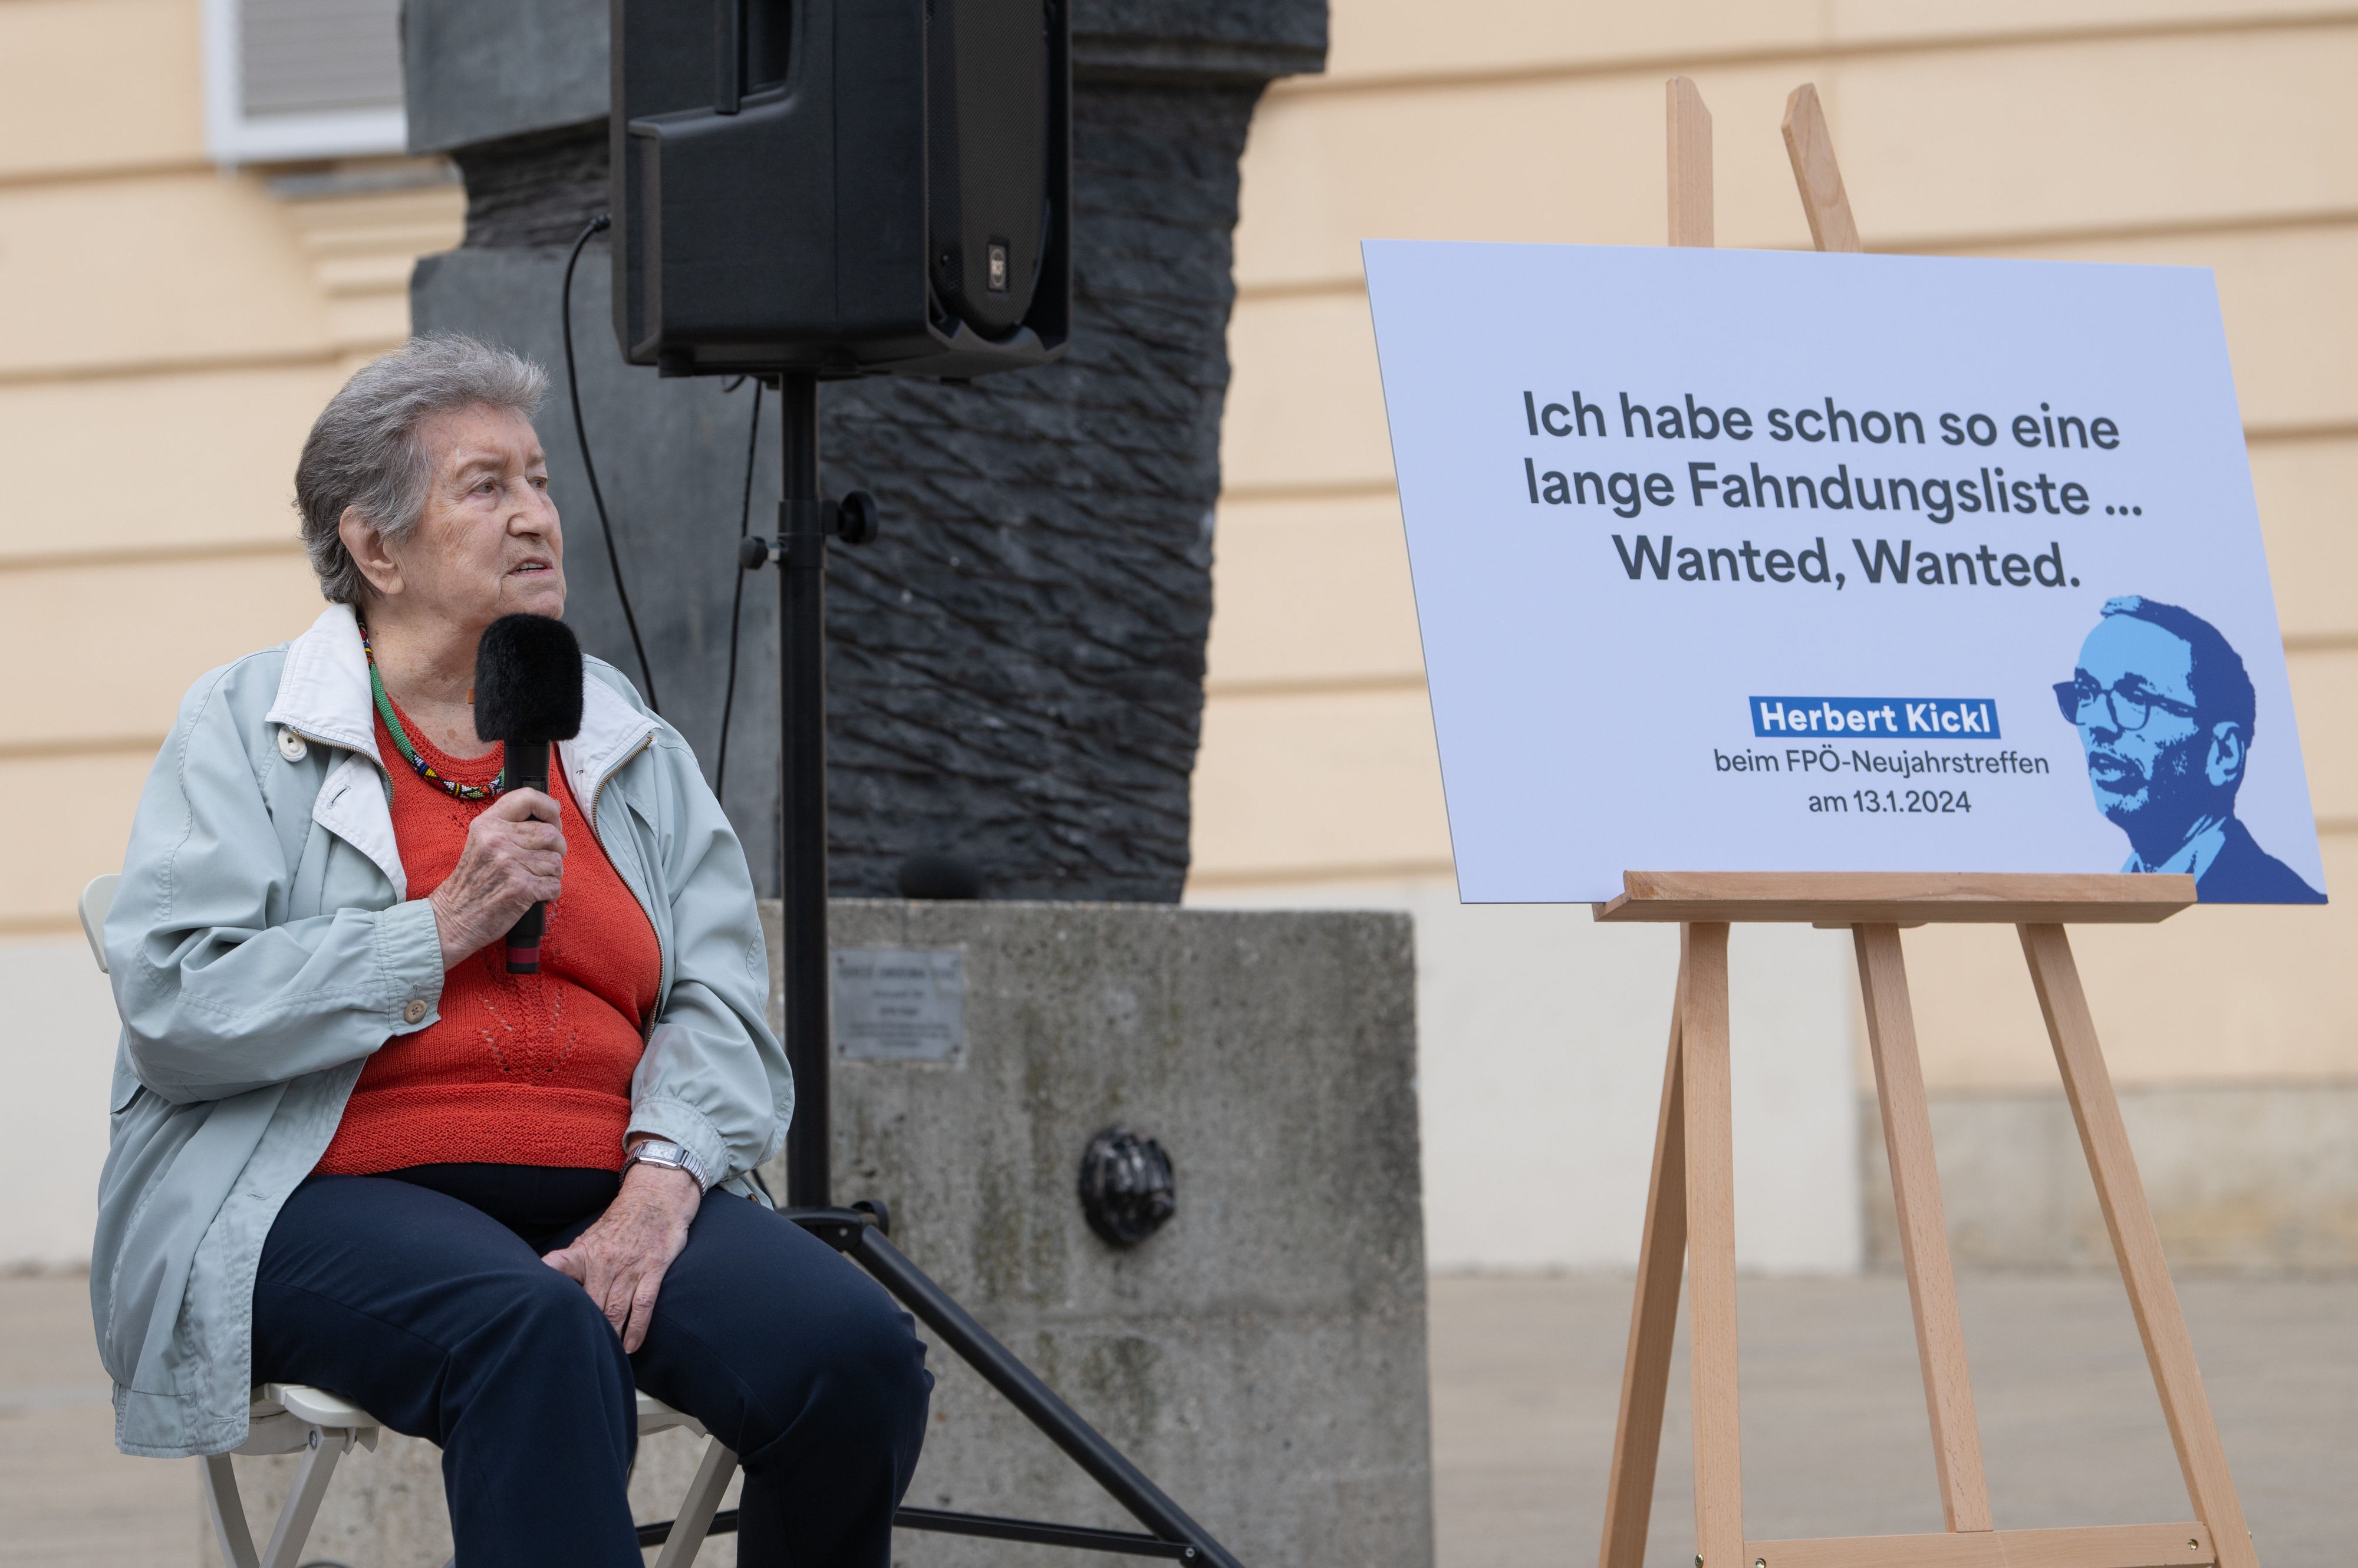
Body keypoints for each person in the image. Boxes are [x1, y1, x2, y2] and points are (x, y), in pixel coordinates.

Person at [93, 334, 931, 1564]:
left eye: (539, 479)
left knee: (850, 1356)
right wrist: (435, 931)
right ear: (374, 547)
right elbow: (176, 1003)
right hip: (321, 1187)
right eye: (485, 486)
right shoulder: (245, 721)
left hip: (612, 1179)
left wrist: (658, 1192)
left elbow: (717, 1003)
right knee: (532, 1330)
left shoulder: (621, 739)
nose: (536, 517)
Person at [2054, 595, 2323, 902]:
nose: (2098, 724)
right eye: (2086, 692)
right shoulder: (2120, 890)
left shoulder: (2276, 898)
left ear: (2224, 754)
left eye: (2135, 697)